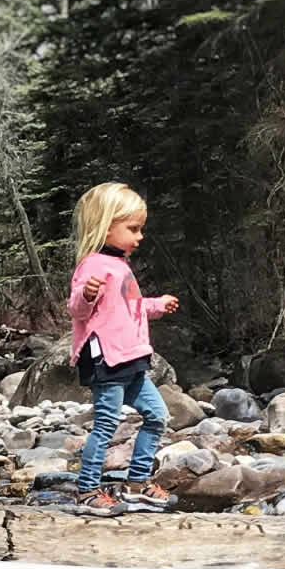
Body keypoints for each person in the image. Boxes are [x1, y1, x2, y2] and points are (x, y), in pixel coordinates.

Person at [65, 183, 182, 516]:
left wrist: (156, 305)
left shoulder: (120, 265)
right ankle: (87, 491)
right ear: (106, 226)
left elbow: (130, 307)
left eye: (140, 229)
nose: (139, 237)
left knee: (157, 416)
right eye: (133, 229)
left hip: (132, 359)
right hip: (106, 359)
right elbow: (76, 310)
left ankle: (136, 485)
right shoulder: (93, 265)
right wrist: (87, 294)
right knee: (106, 424)